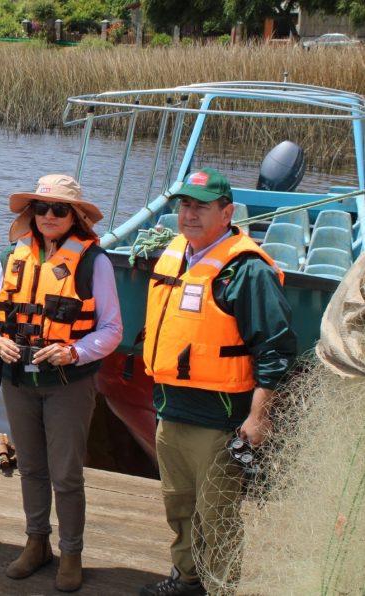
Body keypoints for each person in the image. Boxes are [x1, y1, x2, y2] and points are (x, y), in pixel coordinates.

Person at [139, 169, 296, 596]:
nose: (188, 214)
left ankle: (221, 589)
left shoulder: (245, 271)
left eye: (201, 206)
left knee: (218, 514)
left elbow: (277, 350)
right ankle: (187, 579)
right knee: (179, 504)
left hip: (220, 418)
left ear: (227, 213)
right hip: (171, 409)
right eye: (184, 204)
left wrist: (258, 418)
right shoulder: (175, 253)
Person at [0, 174, 123, 592]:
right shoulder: (11, 256)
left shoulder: (95, 262)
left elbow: (112, 329)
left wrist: (73, 351)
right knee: (31, 468)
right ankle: (36, 542)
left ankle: (71, 551)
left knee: (66, 474)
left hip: (68, 383)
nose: (50, 216)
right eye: (42, 208)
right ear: (31, 213)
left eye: (60, 209)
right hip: (18, 380)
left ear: (75, 216)